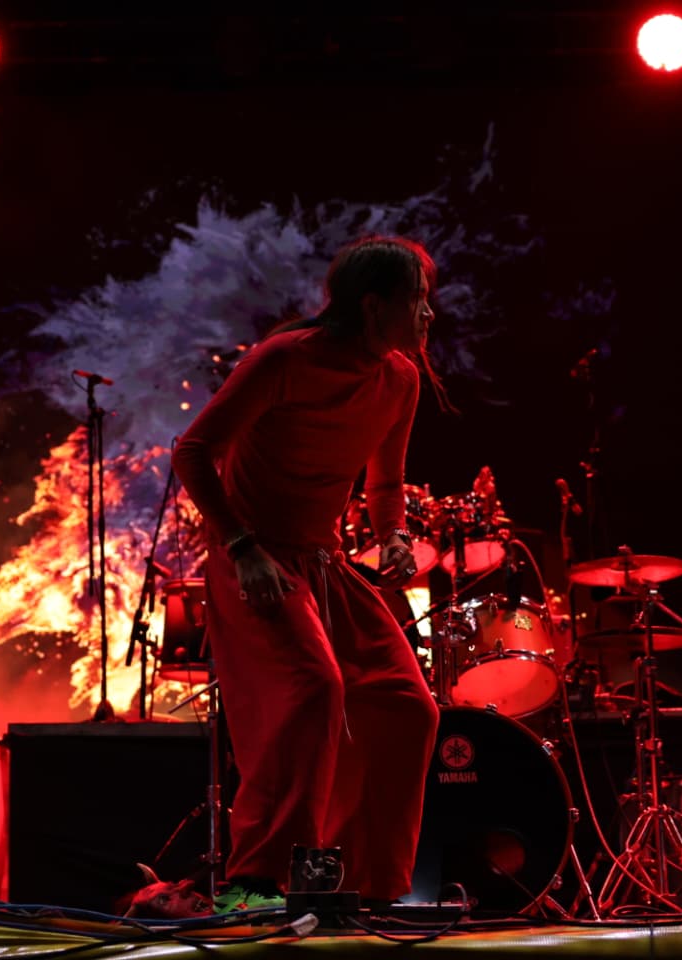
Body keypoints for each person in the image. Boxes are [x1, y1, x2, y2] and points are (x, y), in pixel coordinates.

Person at [172, 235, 448, 912]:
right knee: (313, 691)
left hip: (323, 562)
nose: (429, 314)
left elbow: (386, 483)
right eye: (418, 299)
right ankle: (257, 882)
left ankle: (359, 885)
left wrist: (393, 536)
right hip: (255, 559)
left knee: (406, 705)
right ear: (374, 305)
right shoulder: (285, 359)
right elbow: (194, 451)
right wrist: (242, 547)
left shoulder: (400, 379)